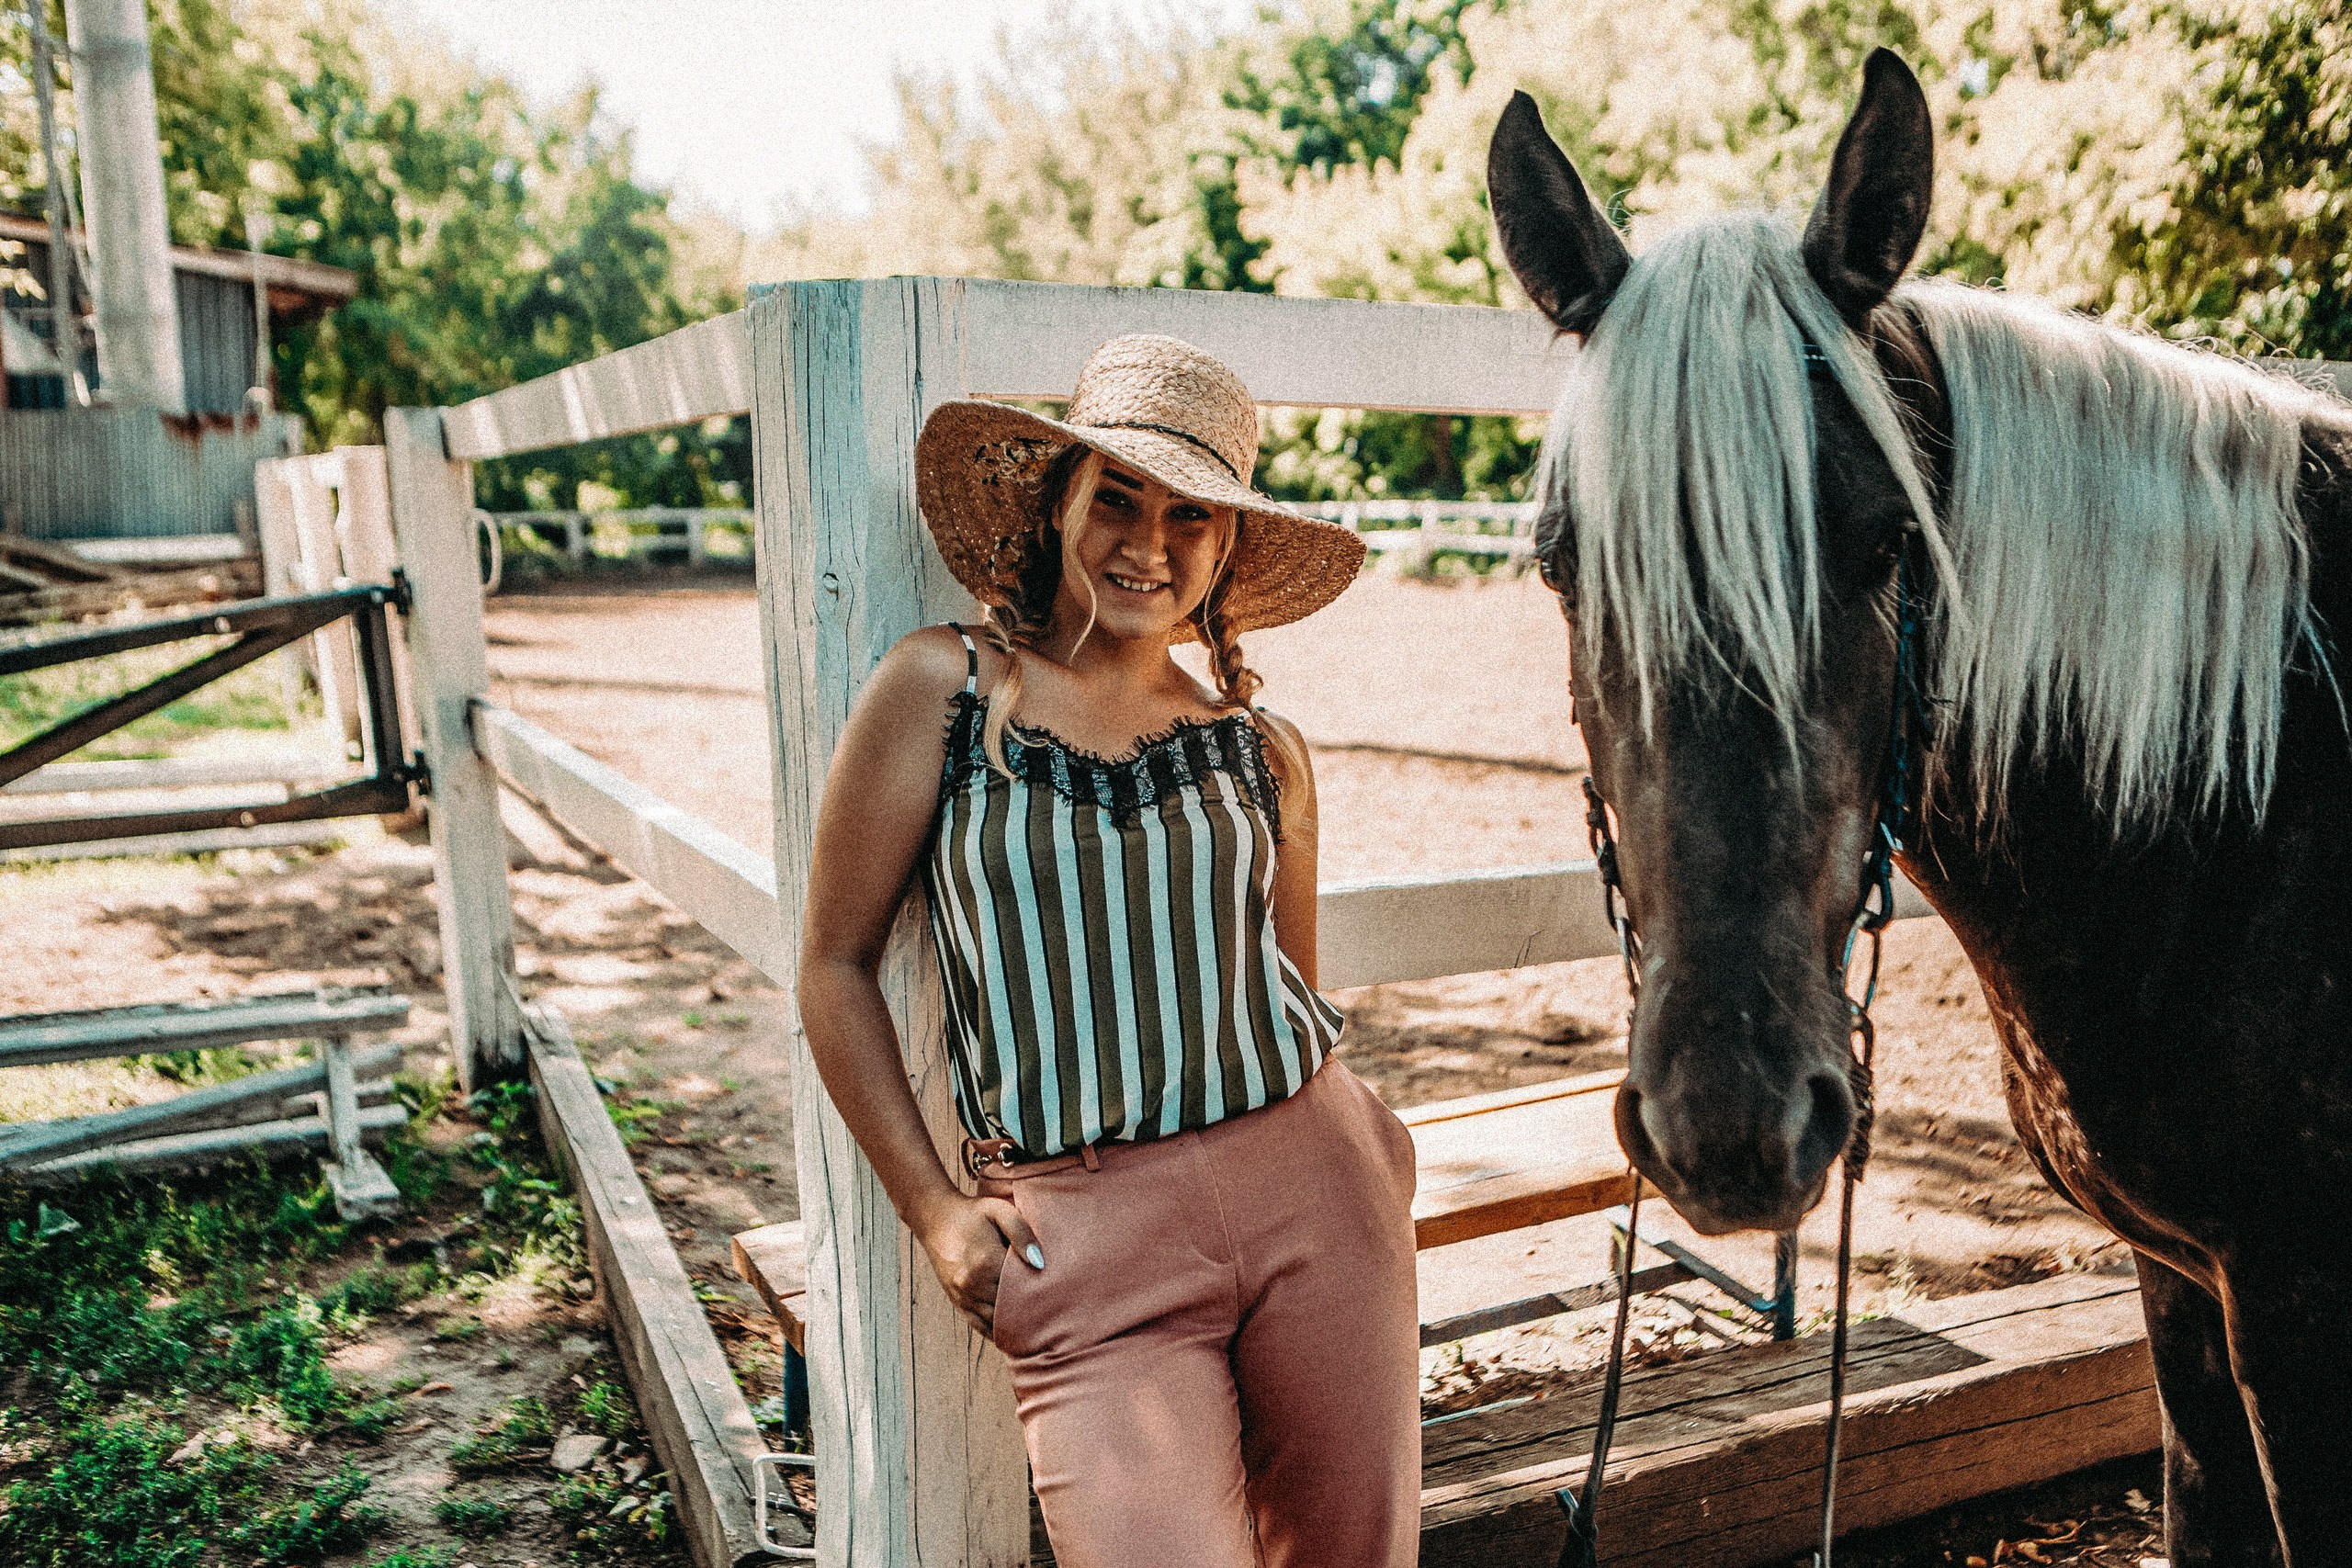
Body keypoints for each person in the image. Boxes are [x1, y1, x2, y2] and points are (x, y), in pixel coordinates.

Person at [796, 333, 1420, 1567]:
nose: (1149, 543)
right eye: (1119, 500)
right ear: (1059, 505)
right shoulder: (945, 690)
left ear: (1228, 546)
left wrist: (1366, 1146)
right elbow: (832, 967)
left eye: (1192, 517)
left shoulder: (1263, 748)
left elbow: (1286, 986)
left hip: (1318, 1194)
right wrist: (934, 1213)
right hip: (1086, 1236)